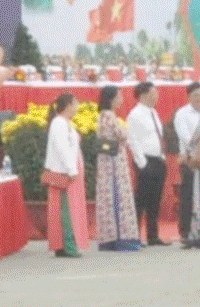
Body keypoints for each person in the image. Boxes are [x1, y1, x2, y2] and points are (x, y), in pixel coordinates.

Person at [90, 82, 143, 251]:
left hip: (109, 160)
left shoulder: (104, 115)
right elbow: (121, 135)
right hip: (114, 162)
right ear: (112, 99)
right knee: (118, 196)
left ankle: (110, 237)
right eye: (119, 96)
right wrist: (127, 133)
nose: (121, 100)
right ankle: (122, 238)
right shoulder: (109, 116)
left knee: (111, 198)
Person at [172, 81, 200, 249]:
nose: (199, 98)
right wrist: (199, 150)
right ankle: (185, 232)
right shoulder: (182, 114)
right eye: (195, 95)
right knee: (188, 196)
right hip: (191, 160)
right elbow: (186, 137)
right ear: (189, 96)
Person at [124, 80, 169, 246]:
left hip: (158, 159)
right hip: (145, 160)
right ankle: (134, 235)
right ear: (143, 94)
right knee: (141, 199)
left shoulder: (153, 112)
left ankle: (153, 235)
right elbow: (132, 140)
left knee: (155, 200)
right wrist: (141, 163)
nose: (156, 96)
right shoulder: (135, 114)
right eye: (153, 93)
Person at [41, 92, 84, 258]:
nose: (78, 107)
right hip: (62, 174)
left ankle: (61, 245)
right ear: (68, 106)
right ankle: (68, 245)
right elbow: (62, 149)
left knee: (61, 210)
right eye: (76, 104)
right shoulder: (59, 124)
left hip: (64, 172)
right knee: (65, 211)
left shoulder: (64, 123)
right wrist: (71, 170)